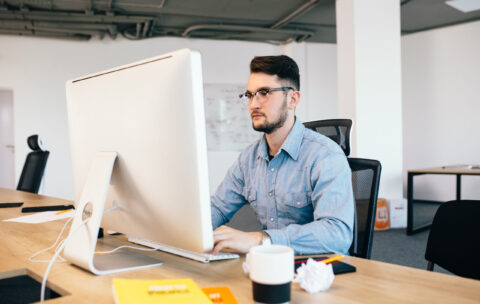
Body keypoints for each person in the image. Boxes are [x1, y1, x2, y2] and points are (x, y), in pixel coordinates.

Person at [211, 55, 354, 255]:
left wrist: (261, 240)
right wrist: (183, 228)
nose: (254, 104)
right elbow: (218, 208)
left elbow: (336, 233)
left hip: (320, 270)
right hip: (270, 266)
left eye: (264, 93)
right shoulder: (248, 159)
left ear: (293, 99)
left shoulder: (325, 156)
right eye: (250, 95)